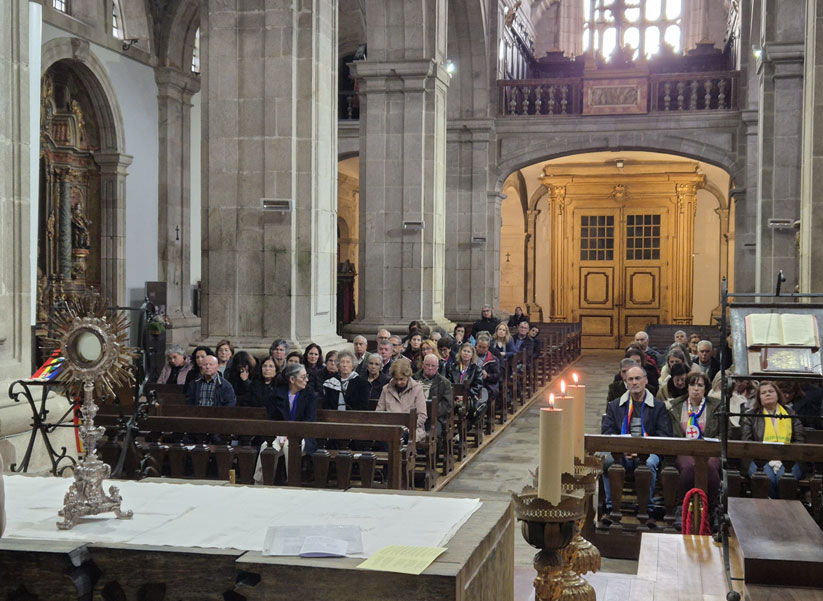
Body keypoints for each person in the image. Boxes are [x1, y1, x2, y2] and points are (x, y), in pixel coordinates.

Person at [601, 365, 672, 514]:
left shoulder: (658, 407)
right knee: (607, 462)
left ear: (645, 381)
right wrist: (622, 449)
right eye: (630, 379)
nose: (634, 382)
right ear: (626, 383)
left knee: (649, 464)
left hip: (648, 451)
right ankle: (611, 507)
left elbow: (664, 435)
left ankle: (647, 507)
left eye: (638, 378)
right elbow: (607, 432)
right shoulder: (615, 405)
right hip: (621, 452)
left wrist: (641, 451)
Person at [668, 372, 723, 526]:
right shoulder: (676, 406)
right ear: (687, 387)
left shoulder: (716, 406)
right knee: (688, 467)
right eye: (692, 385)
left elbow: (724, 430)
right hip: (684, 448)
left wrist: (714, 442)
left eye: (700, 385)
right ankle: (682, 508)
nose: (696, 389)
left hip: (709, 448)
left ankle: (714, 509)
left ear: (706, 388)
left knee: (710, 467)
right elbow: (671, 431)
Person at [741, 381, 805, 498]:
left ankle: (785, 510)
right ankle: (770, 511)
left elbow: (799, 439)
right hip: (759, 459)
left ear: (777, 394)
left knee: (784, 479)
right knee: (767, 479)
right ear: (759, 398)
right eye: (763, 393)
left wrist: (786, 456)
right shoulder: (751, 415)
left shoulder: (790, 413)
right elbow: (747, 442)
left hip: (788, 458)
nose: (767, 394)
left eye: (771, 391)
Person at [266, 362, 318, 455]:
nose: (306, 380)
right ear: (292, 379)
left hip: (303, 436)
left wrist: (292, 434)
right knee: (266, 446)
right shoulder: (276, 394)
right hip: (279, 434)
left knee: (289, 446)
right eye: (303, 377)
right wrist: (282, 436)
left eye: (307, 376)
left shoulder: (309, 394)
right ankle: (261, 470)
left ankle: (290, 470)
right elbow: (273, 419)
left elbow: (310, 420)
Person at [377, 359, 427, 442]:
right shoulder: (386, 389)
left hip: (412, 429)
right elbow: (379, 412)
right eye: (396, 379)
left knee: (402, 437)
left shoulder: (417, 389)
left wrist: (408, 427)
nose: (399, 382)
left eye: (401, 379)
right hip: (390, 428)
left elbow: (422, 415)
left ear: (408, 376)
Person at [413, 353, 453, 450]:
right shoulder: (413, 379)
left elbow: (447, 405)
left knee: (436, 434)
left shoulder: (444, 383)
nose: (430, 368)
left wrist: (431, 412)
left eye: (433, 366)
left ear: (438, 367)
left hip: (434, 418)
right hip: (415, 416)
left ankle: (434, 459)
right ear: (423, 365)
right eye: (427, 365)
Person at [447, 342, 486, 427]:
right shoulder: (453, 367)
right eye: (464, 351)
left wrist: (465, 396)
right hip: (455, 397)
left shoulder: (476, 369)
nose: (466, 353)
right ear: (460, 352)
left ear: (472, 354)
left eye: (468, 352)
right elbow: (449, 383)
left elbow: (477, 386)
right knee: (445, 406)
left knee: (464, 407)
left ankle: (464, 429)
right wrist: (455, 396)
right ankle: (447, 430)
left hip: (469, 397)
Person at [475, 333, 500, 404]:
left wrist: (487, 376)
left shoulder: (493, 359)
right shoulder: (471, 356)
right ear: (476, 345)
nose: (481, 349)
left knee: (482, 395)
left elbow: (497, 376)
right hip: (473, 384)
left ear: (488, 347)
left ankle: (479, 409)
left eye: (484, 347)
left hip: (487, 385)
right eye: (479, 346)